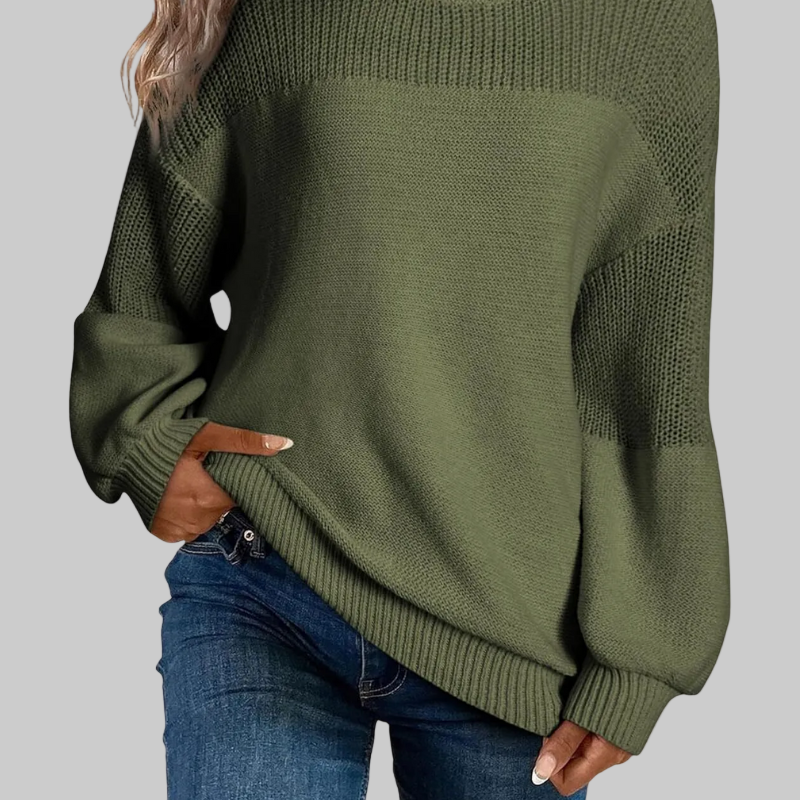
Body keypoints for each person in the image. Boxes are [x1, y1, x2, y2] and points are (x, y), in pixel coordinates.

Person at [68, 1, 730, 797]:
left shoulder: (653, 20)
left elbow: (650, 369)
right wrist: (147, 440)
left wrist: (642, 652)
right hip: (264, 577)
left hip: (510, 635)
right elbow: (142, 285)